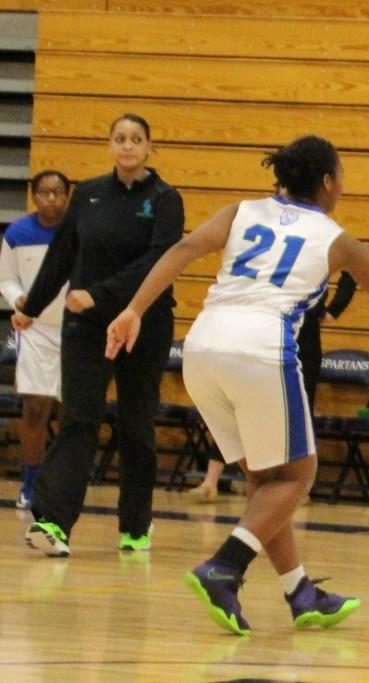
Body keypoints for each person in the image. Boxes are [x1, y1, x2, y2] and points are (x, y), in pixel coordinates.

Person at [105, 135, 369, 635]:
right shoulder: (336, 239)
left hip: (203, 346)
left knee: (265, 482)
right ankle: (224, 567)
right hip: (261, 349)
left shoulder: (241, 211)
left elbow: (183, 249)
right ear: (326, 182)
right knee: (297, 477)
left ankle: (301, 593)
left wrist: (133, 310)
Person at [18, 113, 183, 557]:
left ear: (150, 147)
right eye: (119, 139)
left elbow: (158, 262)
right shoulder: (88, 194)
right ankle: (53, 522)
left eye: (136, 139)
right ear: (110, 145)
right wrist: (31, 307)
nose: (127, 146)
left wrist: (100, 294)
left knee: (136, 426)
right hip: (86, 328)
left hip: (143, 324)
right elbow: (62, 255)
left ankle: (135, 525)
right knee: (78, 419)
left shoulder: (166, 199)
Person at [185, 271, 355, 504]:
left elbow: (350, 273)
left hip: (305, 333)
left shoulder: (322, 242)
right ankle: (210, 481)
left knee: (299, 411)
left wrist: (334, 309)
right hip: (267, 329)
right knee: (240, 405)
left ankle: (298, 487)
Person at [0, 170, 70, 509]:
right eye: (45, 192)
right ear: (33, 196)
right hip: (36, 330)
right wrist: (18, 301)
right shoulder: (17, 233)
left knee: (71, 410)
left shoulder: (78, 232)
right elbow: (7, 280)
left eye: (59, 192)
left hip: (76, 330)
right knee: (35, 407)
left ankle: (61, 482)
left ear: (68, 196)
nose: (52, 199)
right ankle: (30, 483)